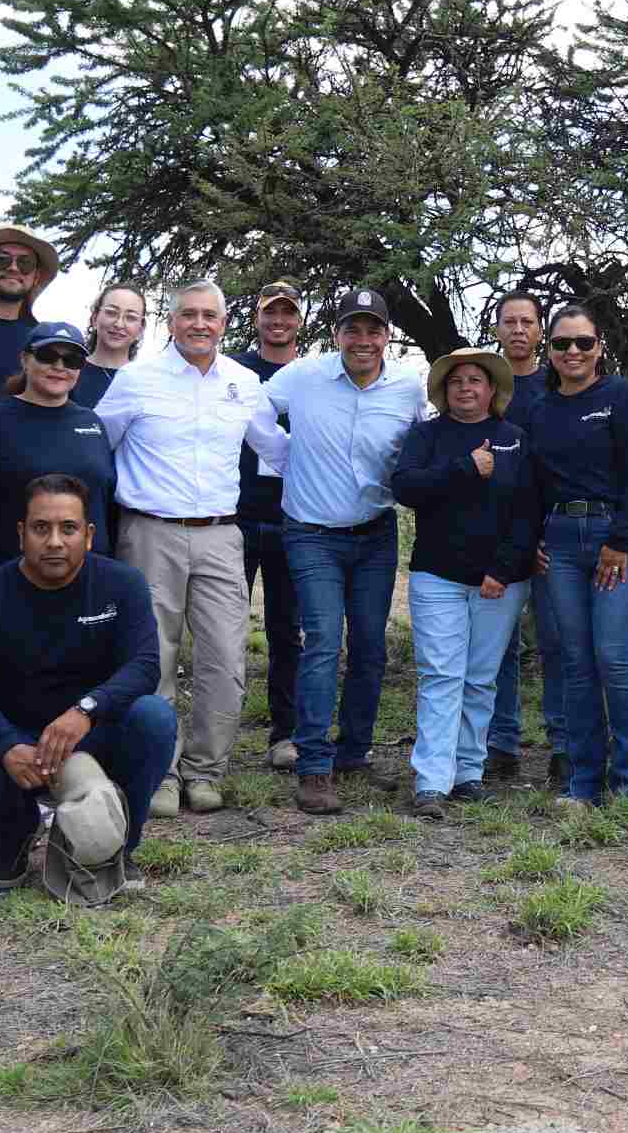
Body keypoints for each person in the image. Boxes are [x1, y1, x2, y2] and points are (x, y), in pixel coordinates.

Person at [93, 279, 290, 818]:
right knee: (153, 657)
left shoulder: (244, 383)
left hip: (224, 535)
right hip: (150, 530)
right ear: (171, 321)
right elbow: (97, 450)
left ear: (225, 324)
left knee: (225, 659)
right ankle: (159, 772)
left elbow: (277, 449)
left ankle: (206, 771)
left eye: (210, 315)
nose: (200, 324)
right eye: (189, 315)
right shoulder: (137, 379)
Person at [0, 474, 178, 892]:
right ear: (21, 534)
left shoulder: (122, 584)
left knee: (154, 717)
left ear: (88, 536)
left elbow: (144, 666)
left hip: (92, 730)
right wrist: (4, 745)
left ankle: (121, 845)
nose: (54, 541)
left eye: (67, 528)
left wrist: (86, 710)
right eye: (41, 528)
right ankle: (15, 836)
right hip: (22, 742)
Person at [264, 287, 428, 814]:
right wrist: (282, 459)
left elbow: (428, 439)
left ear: (386, 336)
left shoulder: (406, 387)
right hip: (311, 532)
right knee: (323, 640)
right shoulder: (304, 377)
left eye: (372, 329)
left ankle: (354, 752)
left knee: (370, 648)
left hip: (375, 534)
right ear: (335, 334)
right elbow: (251, 410)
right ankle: (313, 765)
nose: (363, 339)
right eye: (352, 329)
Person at [394, 350, 539, 818]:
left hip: (499, 581)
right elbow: (405, 488)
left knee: (480, 679)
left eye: (476, 380)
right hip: (437, 575)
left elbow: (526, 511)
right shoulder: (427, 436)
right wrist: (463, 468)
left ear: (492, 389)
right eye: (457, 381)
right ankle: (432, 781)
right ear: (444, 390)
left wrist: (502, 568)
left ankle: (469, 774)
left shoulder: (513, 439)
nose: (466, 388)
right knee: (441, 676)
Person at [528, 304, 628, 806]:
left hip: (615, 536)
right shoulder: (541, 408)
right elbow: (533, 484)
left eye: (583, 342)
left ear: (600, 347)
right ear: (550, 351)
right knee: (575, 662)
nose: (573, 352)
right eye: (562, 344)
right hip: (559, 539)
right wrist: (532, 539)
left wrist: (620, 540)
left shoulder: (621, 397)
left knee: (615, 657)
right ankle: (583, 783)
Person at [483, 291, 567, 788]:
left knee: (557, 643)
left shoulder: (555, 385)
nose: (517, 330)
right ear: (497, 330)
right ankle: (500, 743)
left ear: (540, 332)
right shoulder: (485, 384)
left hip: (552, 535)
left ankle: (562, 745)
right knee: (501, 645)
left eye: (527, 322)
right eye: (508, 322)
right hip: (497, 536)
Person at [0, 322, 114, 577]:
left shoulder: (91, 423)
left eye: (72, 360)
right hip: (8, 574)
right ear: (25, 359)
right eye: (47, 356)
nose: (59, 367)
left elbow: (104, 501)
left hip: (86, 575)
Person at [232, 281, 306, 770]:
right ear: (257, 318)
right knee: (225, 629)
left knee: (286, 630)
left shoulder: (313, 374)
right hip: (236, 515)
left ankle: (287, 733)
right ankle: (217, 736)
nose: (278, 320)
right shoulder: (234, 371)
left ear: (300, 320)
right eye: (269, 312)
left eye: (288, 312)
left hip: (294, 516)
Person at [0, 224, 61, 401]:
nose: (13, 268)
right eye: (2, 259)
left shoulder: (41, 341)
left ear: (36, 276)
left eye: (25, 263)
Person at [72, 282, 148, 409]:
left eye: (130, 317)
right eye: (111, 313)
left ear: (141, 328)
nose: (119, 324)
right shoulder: (68, 371)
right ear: (94, 319)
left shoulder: (147, 383)